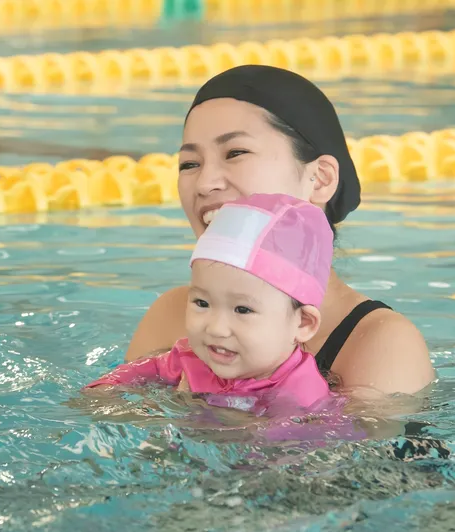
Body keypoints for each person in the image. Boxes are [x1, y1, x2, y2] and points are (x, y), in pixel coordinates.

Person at [125, 65, 435, 398]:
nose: (204, 183)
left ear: (322, 178)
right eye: (189, 164)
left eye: (236, 153)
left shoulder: (379, 343)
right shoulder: (171, 314)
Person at [86, 193, 334, 417]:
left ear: (302, 323)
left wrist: (197, 413)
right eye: (202, 303)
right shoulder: (191, 356)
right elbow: (144, 370)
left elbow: (278, 455)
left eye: (242, 309)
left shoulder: (301, 396)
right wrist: (104, 391)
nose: (216, 329)